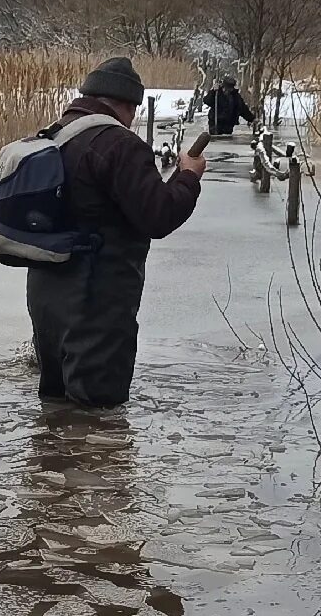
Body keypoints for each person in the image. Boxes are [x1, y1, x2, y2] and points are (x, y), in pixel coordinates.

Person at [26, 56, 206, 410]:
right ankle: (96, 467)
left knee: (56, 404)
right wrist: (188, 176)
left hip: (46, 293)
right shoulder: (119, 145)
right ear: (127, 105)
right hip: (97, 297)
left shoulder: (52, 137)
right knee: (98, 414)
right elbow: (158, 215)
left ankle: (48, 462)